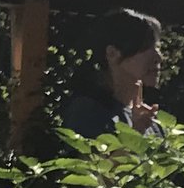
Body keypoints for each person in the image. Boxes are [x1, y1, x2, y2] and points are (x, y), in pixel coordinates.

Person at [58, 8, 165, 137]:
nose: (158, 58)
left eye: (157, 48)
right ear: (112, 54)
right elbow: (92, 157)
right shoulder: (87, 111)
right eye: (146, 48)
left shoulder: (150, 120)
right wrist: (137, 132)